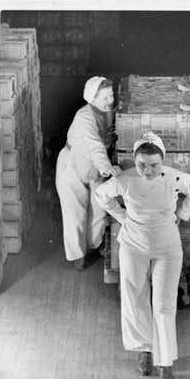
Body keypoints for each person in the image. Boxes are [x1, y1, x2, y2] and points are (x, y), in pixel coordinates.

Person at [94, 132, 190, 379]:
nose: (148, 170)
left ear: (162, 161)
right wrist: (122, 217)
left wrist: (182, 214)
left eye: (154, 164)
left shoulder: (173, 177)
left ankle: (165, 363)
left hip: (167, 247)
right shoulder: (126, 179)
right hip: (133, 246)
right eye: (142, 164)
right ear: (135, 161)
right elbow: (102, 195)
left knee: (164, 304)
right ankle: (144, 351)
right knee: (134, 298)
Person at [55, 76, 120, 270]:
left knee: (99, 210)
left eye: (111, 95)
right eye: (105, 98)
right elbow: (96, 147)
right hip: (73, 166)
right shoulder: (84, 117)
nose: (110, 101)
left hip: (95, 169)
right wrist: (109, 170)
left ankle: (93, 245)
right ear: (92, 99)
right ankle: (78, 256)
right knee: (75, 213)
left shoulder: (107, 111)